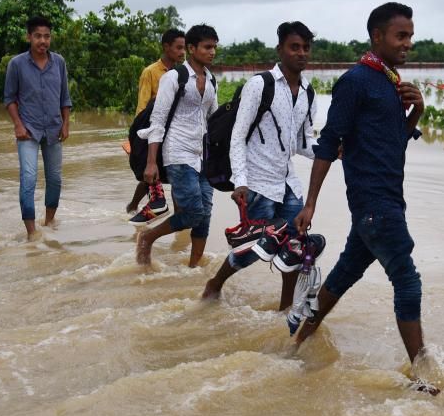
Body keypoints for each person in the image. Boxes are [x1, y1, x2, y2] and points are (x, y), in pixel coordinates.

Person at [290, 3, 434, 386]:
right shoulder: (356, 81)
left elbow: (392, 144)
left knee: (340, 278)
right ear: (378, 36)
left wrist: (416, 112)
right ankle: (423, 376)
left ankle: (298, 342)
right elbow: (328, 144)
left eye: (410, 36)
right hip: (376, 206)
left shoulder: (389, 81)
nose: (408, 43)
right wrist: (310, 203)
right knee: (407, 282)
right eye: (401, 36)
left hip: (379, 204)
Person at [201, 21, 317, 307]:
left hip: (288, 182)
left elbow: (303, 142)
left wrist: (333, 151)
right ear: (280, 50)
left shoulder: (308, 92)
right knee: (252, 250)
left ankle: (285, 307)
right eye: (294, 47)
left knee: (293, 248)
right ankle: (215, 283)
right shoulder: (259, 85)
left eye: (305, 48)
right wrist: (240, 180)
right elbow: (238, 137)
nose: (301, 53)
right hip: (257, 182)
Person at [135, 24, 220, 267]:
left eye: (214, 47)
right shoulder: (174, 77)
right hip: (178, 152)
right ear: (192, 49)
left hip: (203, 155)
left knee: (205, 215)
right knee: (193, 212)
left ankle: (193, 270)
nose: (212, 52)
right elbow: (158, 121)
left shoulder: (212, 79)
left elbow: (212, 119)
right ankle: (148, 237)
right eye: (207, 47)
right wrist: (152, 162)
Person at [4, 16, 72, 239]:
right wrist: (18, 125)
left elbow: (65, 97)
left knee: (55, 178)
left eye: (47, 36)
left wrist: (66, 124)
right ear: (29, 37)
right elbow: (9, 99)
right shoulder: (17, 64)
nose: (43, 40)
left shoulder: (59, 62)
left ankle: (50, 221)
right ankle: (32, 232)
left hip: (54, 128)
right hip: (28, 131)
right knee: (29, 177)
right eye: (38, 36)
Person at [126, 28, 187, 224]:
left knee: (171, 175)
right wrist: (138, 141)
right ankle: (134, 206)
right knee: (153, 174)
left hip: (174, 133)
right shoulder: (151, 72)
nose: (182, 52)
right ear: (166, 47)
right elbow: (142, 109)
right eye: (178, 48)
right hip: (154, 131)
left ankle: (179, 221)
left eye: (184, 48)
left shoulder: (183, 73)